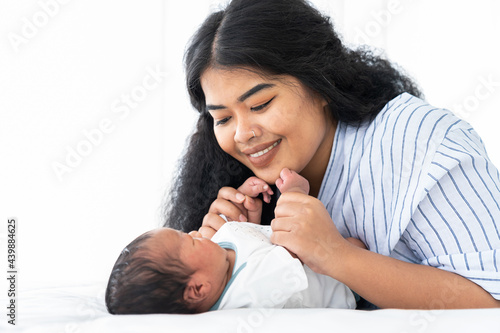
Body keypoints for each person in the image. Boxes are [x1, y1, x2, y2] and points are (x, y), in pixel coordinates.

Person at [163, 0, 500, 309]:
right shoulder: (248, 197)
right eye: (222, 119)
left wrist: (335, 255)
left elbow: (491, 301)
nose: (242, 134)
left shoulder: (423, 142)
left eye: (260, 104)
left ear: (321, 83)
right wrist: (238, 257)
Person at [106, 169, 357, 314]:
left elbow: (243, 230)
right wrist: (296, 195)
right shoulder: (249, 292)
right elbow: (294, 248)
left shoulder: (217, 259)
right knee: (357, 246)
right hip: (339, 284)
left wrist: (247, 198)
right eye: (189, 242)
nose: (194, 233)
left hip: (319, 251)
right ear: (198, 289)